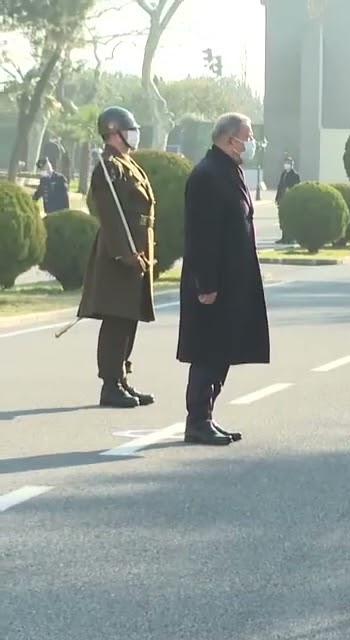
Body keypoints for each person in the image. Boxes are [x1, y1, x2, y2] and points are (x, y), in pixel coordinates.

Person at [177, 112, 271, 446]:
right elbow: (201, 235)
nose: (252, 143)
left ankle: (206, 416)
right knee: (209, 352)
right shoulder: (207, 175)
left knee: (223, 351)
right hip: (212, 284)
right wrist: (206, 284)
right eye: (248, 136)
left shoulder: (229, 170)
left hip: (233, 281)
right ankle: (197, 420)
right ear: (231, 139)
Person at [75, 106, 157, 409]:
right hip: (119, 254)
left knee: (129, 318)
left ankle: (121, 378)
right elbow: (111, 216)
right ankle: (110, 385)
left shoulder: (127, 163)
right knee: (116, 319)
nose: (133, 134)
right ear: (113, 132)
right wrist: (126, 254)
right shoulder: (108, 167)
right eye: (128, 130)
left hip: (137, 250)